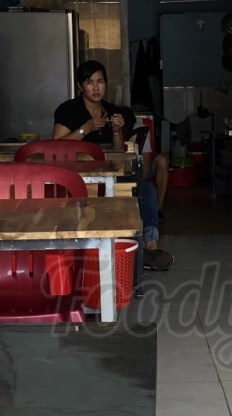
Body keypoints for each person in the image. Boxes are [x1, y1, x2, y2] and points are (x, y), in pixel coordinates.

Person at [54, 60, 173, 271]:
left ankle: (150, 245)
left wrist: (117, 131)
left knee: (147, 189)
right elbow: (56, 146)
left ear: (106, 84)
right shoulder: (69, 110)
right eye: (89, 82)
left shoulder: (110, 110)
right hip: (77, 176)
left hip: (108, 174)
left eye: (100, 81)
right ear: (81, 86)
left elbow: (118, 150)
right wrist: (85, 129)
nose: (96, 87)